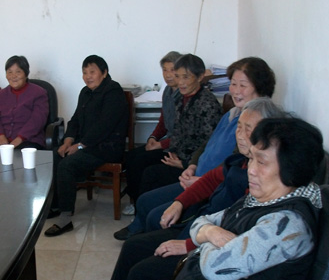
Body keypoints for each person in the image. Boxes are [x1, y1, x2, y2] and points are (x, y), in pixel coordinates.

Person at [89, 117, 324, 280]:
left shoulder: (286, 226)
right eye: (252, 159)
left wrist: (206, 238)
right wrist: (211, 233)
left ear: (292, 169)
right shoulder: (262, 200)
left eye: (262, 162)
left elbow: (214, 267)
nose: (251, 170)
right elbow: (203, 222)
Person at [105, 99, 285, 280]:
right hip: (199, 228)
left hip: (207, 248)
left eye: (248, 129)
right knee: (132, 246)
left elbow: (233, 232)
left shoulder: (260, 181)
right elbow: (211, 179)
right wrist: (179, 203)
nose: (239, 134)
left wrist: (188, 244)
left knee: (141, 271)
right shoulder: (240, 160)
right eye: (238, 127)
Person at [115, 56, 276, 240]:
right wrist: (191, 165)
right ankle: (139, 230)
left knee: (155, 210)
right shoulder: (232, 113)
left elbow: (232, 166)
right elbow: (207, 144)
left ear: (259, 87)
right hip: (195, 175)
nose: (236, 90)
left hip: (208, 186)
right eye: (233, 84)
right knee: (144, 192)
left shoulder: (256, 124)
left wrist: (189, 169)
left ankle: (146, 239)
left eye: (243, 85)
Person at [122, 54, 223, 214]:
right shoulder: (181, 98)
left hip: (191, 163)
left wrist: (185, 163)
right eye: (178, 76)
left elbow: (209, 144)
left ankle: (145, 215)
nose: (180, 82)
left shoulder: (207, 104)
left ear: (200, 77)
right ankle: (139, 209)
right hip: (177, 153)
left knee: (150, 173)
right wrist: (159, 142)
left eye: (185, 77)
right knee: (136, 159)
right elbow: (177, 131)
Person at [44, 55, 128, 237]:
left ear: (104, 73)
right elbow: (75, 120)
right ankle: (56, 205)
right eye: (84, 72)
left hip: (107, 147)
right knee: (55, 156)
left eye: (92, 72)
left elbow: (104, 126)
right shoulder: (85, 92)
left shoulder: (113, 92)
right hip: (86, 145)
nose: (88, 76)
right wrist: (68, 140)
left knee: (67, 164)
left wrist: (80, 146)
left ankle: (65, 218)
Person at [121, 51, 182, 216]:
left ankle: (141, 204)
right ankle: (134, 200)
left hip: (176, 147)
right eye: (164, 70)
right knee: (131, 156)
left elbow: (181, 133)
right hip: (166, 142)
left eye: (172, 70)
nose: (168, 75)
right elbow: (163, 121)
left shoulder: (183, 95)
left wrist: (160, 145)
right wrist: (153, 138)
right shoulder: (167, 91)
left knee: (141, 161)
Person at [0, 56, 49, 150]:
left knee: (21, 155)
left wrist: (20, 138)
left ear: (26, 74)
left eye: (18, 72)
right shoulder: (0, 95)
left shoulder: (39, 93)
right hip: (2, 141)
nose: (13, 76)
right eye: (10, 72)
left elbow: (38, 120)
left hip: (29, 140)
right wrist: (0, 136)